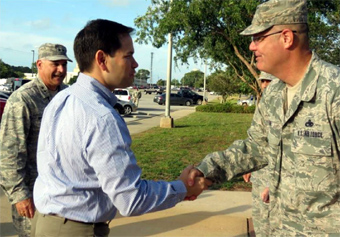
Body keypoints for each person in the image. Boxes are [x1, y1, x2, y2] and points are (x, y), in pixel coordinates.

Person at [31, 19, 210, 237]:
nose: (135, 64)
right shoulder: (101, 116)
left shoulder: (62, 99)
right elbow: (131, 200)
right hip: (76, 229)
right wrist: (183, 187)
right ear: (102, 59)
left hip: (47, 223)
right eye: (128, 56)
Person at [188, 0, 340, 235]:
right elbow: (255, 148)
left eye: (258, 38)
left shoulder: (334, 91)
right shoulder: (274, 95)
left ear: (286, 38)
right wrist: (206, 170)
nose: (251, 46)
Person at [0, 43, 72, 236]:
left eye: (64, 64)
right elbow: (9, 153)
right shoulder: (23, 100)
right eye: (55, 64)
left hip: (62, 192)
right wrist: (19, 195)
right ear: (39, 64)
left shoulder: (66, 95)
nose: (61, 70)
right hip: (32, 195)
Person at [242, 71, 275, 236]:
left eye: (268, 81)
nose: (264, 85)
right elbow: (257, 140)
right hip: (260, 176)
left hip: (276, 182)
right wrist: (249, 164)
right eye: (262, 81)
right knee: (261, 224)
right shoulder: (264, 105)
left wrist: (276, 185)